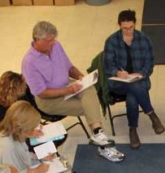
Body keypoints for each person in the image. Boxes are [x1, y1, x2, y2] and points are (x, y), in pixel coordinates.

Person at [22, 21, 125, 163]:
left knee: (89, 89)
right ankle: (103, 147)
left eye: (54, 39)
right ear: (37, 40)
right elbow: (41, 93)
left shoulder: (56, 46)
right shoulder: (29, 63)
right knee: (90, 107)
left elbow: (69, 66)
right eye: (49, 41)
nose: (53, 43)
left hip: (67, 85)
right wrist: (66, 90)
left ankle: (98, 134)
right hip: (49, 100)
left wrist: (81, 77)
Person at [103, 9, 164, 149]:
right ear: (119, 26)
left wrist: (141, 74)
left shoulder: (144, 39)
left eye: (131, 27)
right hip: (118, 82)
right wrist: (117, 73)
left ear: (135, 24)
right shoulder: (111, 41)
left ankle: (133, 130)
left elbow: (150, 63)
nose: (129, 31)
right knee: (135, 89)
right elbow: (107, 66)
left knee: (132, 95)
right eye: (125, 28)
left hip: (139, 79)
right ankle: (151, 114)